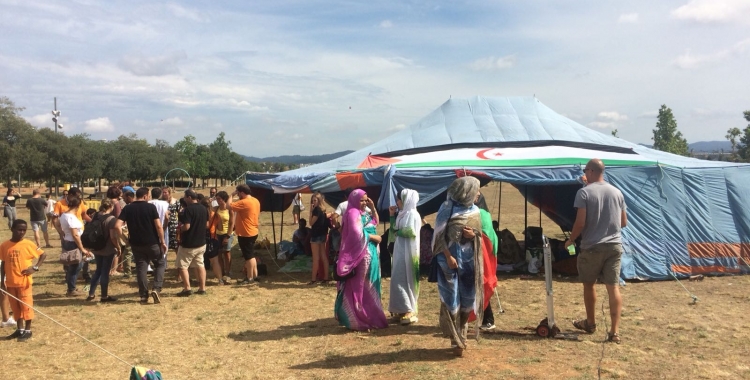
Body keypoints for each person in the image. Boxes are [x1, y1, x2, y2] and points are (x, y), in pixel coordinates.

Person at [564, 158, 627, 344]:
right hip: (615, 246)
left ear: (591, 171)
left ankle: (590, 323)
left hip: (592, 246)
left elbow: (580, 222)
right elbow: (623, 222)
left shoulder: (583, 193)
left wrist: (571, 239)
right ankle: (614, 332)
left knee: (589, 284)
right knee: (613, 287)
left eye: (585, 170)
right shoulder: (617, 192)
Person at [433, 176, 484, 357]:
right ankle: (455, 339)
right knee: (451, 299)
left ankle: (462, 334)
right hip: (449, 261)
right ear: (466, 191)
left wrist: (473, 236)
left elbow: (479, 234)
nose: (478, 193)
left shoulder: (476, 211)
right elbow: (438, 237)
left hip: (469, 262)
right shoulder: (447, 208)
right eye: (476, 190)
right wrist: (448, 257)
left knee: (468, 299)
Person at [334, 189, 388, 331]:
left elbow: (375, 222)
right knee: (360, 287)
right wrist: (373, 237)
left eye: (365, 199)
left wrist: (373, 207)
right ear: (354, 200)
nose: (364, 202)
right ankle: (358, 318)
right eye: (361, 200)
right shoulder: (352, 213)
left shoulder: (363, 212)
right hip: (361, 256)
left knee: (369, 286)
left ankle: (372, 317)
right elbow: (356, 232)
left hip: (370, 254)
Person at [115, 187, 167, 304]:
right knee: (160, 263)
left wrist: (124, 239)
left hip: (136, 243)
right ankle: (156, 288)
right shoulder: (150, 207)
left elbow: (117, 225)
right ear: (145, 196)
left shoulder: (128, 208)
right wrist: (162, 241)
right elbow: (159, 226)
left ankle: (143, 295)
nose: (149, 197)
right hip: (152, 242)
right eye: (148, 195)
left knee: (141, 268)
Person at [0, 220, 47, 342]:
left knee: (26, 306)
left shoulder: (28, 244)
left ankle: (27, 330)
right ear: (12, 229)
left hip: (24, 282)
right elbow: (3, 263)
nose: (21, 232)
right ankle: (19, 329)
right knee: (15, 308)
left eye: (24, 230)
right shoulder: (5, 245)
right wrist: (2, 281)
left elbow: (43, 255)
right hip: (10, 283)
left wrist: (35, 267)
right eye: (19, 229)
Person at [388, 189, 421, 325]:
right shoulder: (402, 214)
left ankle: (408, 309)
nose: (397, 202)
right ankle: (400, 309)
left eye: (399, 199)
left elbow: (411, 231)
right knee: (397, 278)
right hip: (400, 250)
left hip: (409, 252)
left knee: (405, 279)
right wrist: (391, 216)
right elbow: (393, 229)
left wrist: (397, 231)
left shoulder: (413, 214)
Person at [473, 193, 499, 331]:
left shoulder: (477, 213)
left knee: (482, 284)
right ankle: (486, 318)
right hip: (489, 252)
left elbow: (482, 234)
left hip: (483, 253)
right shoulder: (485, 213)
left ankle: (488, 319)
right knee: (482, 285)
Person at [58, 197, 94, 297]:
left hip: (68, 240)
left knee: (73, 266)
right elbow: (75, 234)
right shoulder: (71, 217)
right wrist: (82, 248)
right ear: (78, 206)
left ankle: (71, 285)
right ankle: (71, 289)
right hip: (74, 243)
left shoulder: (64, 215)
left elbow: (58, 225)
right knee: (76, 266)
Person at [176, 190, 208, 296]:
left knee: (182, 266)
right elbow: (207, 225)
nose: (184, 199)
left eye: (185, 197)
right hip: (201, 242)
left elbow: (187, 226)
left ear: (189, 197)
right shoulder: (204, 208)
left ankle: (187, 289)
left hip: (189, 243)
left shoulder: (188, 210)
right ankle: (202, 288)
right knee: (200, 265)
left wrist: (180, 228)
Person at [86, 199, 119, 302]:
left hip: (96, 247)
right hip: (107, 248)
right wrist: (118, 247)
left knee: (98, 270)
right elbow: (113, 237)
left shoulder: (95, 215)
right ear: (111, 207)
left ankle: (91, 293)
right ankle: (104, 296)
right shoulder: (111, 219)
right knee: (105, 272)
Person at [229, 184, 260, 284]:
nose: (237, 195)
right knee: (251, 254)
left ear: (242, 193)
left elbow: (228, 206)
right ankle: (255, 275)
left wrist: (231, 195)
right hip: (253, 230)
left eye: (238, 193)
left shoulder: (244, 202)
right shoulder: (255, 200)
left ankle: (249, 277)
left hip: (246, 233)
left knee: (248, 257)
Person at [308, 192, 330, 284]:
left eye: (315, 200)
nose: (313, 202)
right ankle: (326, 278)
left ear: (319, 200)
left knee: (316, 259)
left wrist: (310, 212)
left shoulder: (316, 210)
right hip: (322, 235)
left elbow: (311, 223)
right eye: (312, 200)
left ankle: (313, 279)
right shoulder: (323, 210)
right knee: (323, 257)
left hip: (316, 236)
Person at [212, 191, 234, 283]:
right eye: (216, 199)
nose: (217, 201)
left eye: (219, 199)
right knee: (219, 254)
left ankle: (228, 272)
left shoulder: (229, 209)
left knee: (227, 253)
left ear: (224, 199)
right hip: (217, 234)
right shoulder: (216, 208)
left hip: (227, 234)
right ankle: (222, 271)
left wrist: (228, 236)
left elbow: (232, 223)